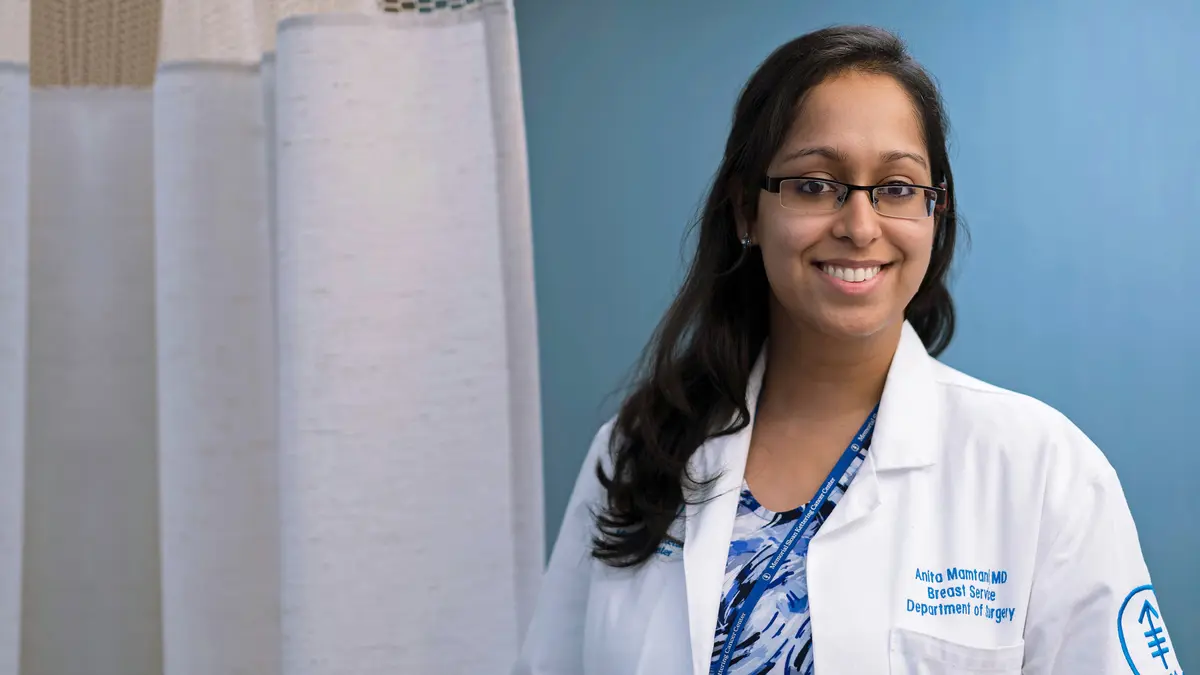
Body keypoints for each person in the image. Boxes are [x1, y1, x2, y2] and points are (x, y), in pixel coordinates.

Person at [513, 25, 1182, 675]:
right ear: (748, 209)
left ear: (933, 212)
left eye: (896, 188)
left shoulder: (1043, 470)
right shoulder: (638, 451)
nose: (860, 226)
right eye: (813, 184)